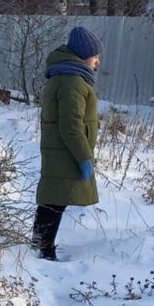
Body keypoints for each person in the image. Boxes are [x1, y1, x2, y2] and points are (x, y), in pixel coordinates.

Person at [33, 26, 102, 260]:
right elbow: (71, 126)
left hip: (59, 151)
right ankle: (45, 250)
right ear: (83, 56)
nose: (97, 62)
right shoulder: (72, 82)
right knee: (56, 201)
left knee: (52, 199)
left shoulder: (66, 77)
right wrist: (84, 157)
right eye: (95, 57)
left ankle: (39, 245)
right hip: (65, 152)